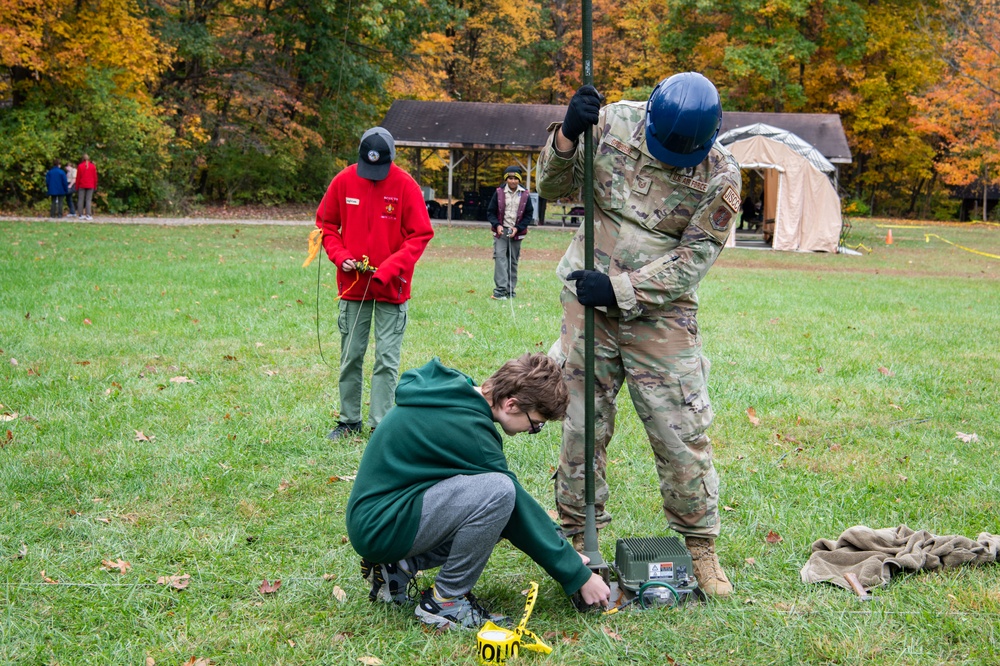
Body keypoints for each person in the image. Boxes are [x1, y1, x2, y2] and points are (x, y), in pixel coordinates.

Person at [535, 72, 742, 597]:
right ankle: (581, 540)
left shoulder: (722, 177)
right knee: (582, 425)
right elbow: (552, 189)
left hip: (660, 315)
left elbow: (692, 259)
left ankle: (699, 547)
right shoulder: (613, 123)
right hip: (588, 302)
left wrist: (621, 289)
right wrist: (566, 137)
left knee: (681, 431)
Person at [346, 353, 611, 630]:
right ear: (511, 404)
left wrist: (560, 549)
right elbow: (513, 501)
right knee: (498, 493)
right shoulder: (470, 428)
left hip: (383, 515)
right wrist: (577, 574)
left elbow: (512, 511)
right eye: (536, 424)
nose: (534, 430)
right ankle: (446, 601)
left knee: (495, 504)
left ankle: (397, 566)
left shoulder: (455, 392)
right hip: (381, 525)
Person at [315, 127, 434, 440]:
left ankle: (380, 426)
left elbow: (420, 234)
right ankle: (348, 420)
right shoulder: (343, 181)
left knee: (386, 359)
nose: (373, 176)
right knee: (351, 355)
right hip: (353, 287)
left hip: (392, 289)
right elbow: (327, 224)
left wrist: (390, 268)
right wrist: (339, 256)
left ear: (391, 160)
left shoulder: (405, 185)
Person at [486, 166, 534, 300]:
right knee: (500, 259)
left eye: (515, 179)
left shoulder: (525, 194)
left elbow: (528, 214)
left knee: (512, 261)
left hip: (516, 232)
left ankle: (510, 290)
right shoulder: (499, 193)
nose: (512, 181)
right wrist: (497, 225)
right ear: (506, 179)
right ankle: (500, 290)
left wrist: (518, 228)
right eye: (510, 178)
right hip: (502, 231)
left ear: (519, 180)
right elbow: (490, 212)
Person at [76, 154, 98, 220]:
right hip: (90, 185)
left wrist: (77, 186)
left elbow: (78, 177)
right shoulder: (93, 166)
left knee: (80, 199)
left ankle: (80, 214)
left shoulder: (80, 166)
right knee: (88, 200)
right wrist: (95, 186)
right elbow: (95, 177)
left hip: (82, 184)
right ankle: (88, 214)